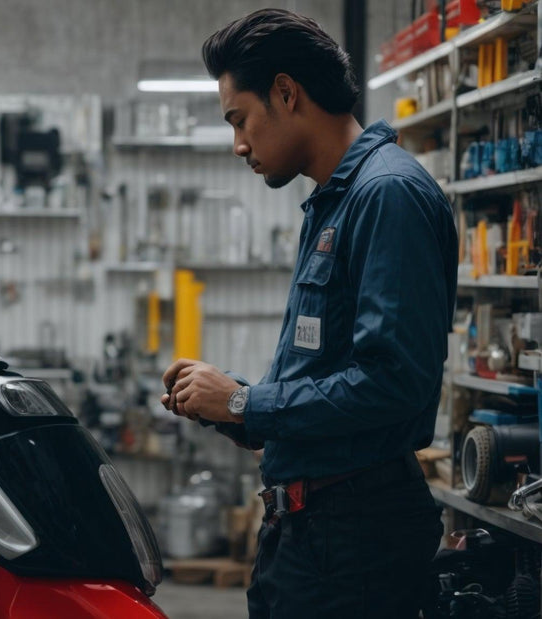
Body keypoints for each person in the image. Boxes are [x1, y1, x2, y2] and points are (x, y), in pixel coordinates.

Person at [160, 9, 457, 618]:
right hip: (310, 533)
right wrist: (230, 406)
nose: (239, 145)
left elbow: (393, 382)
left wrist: (244, 403)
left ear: (286, 93)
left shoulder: (386, 195)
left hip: (353, 542)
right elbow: (329, 378)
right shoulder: (333, 201)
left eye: (240, 120)